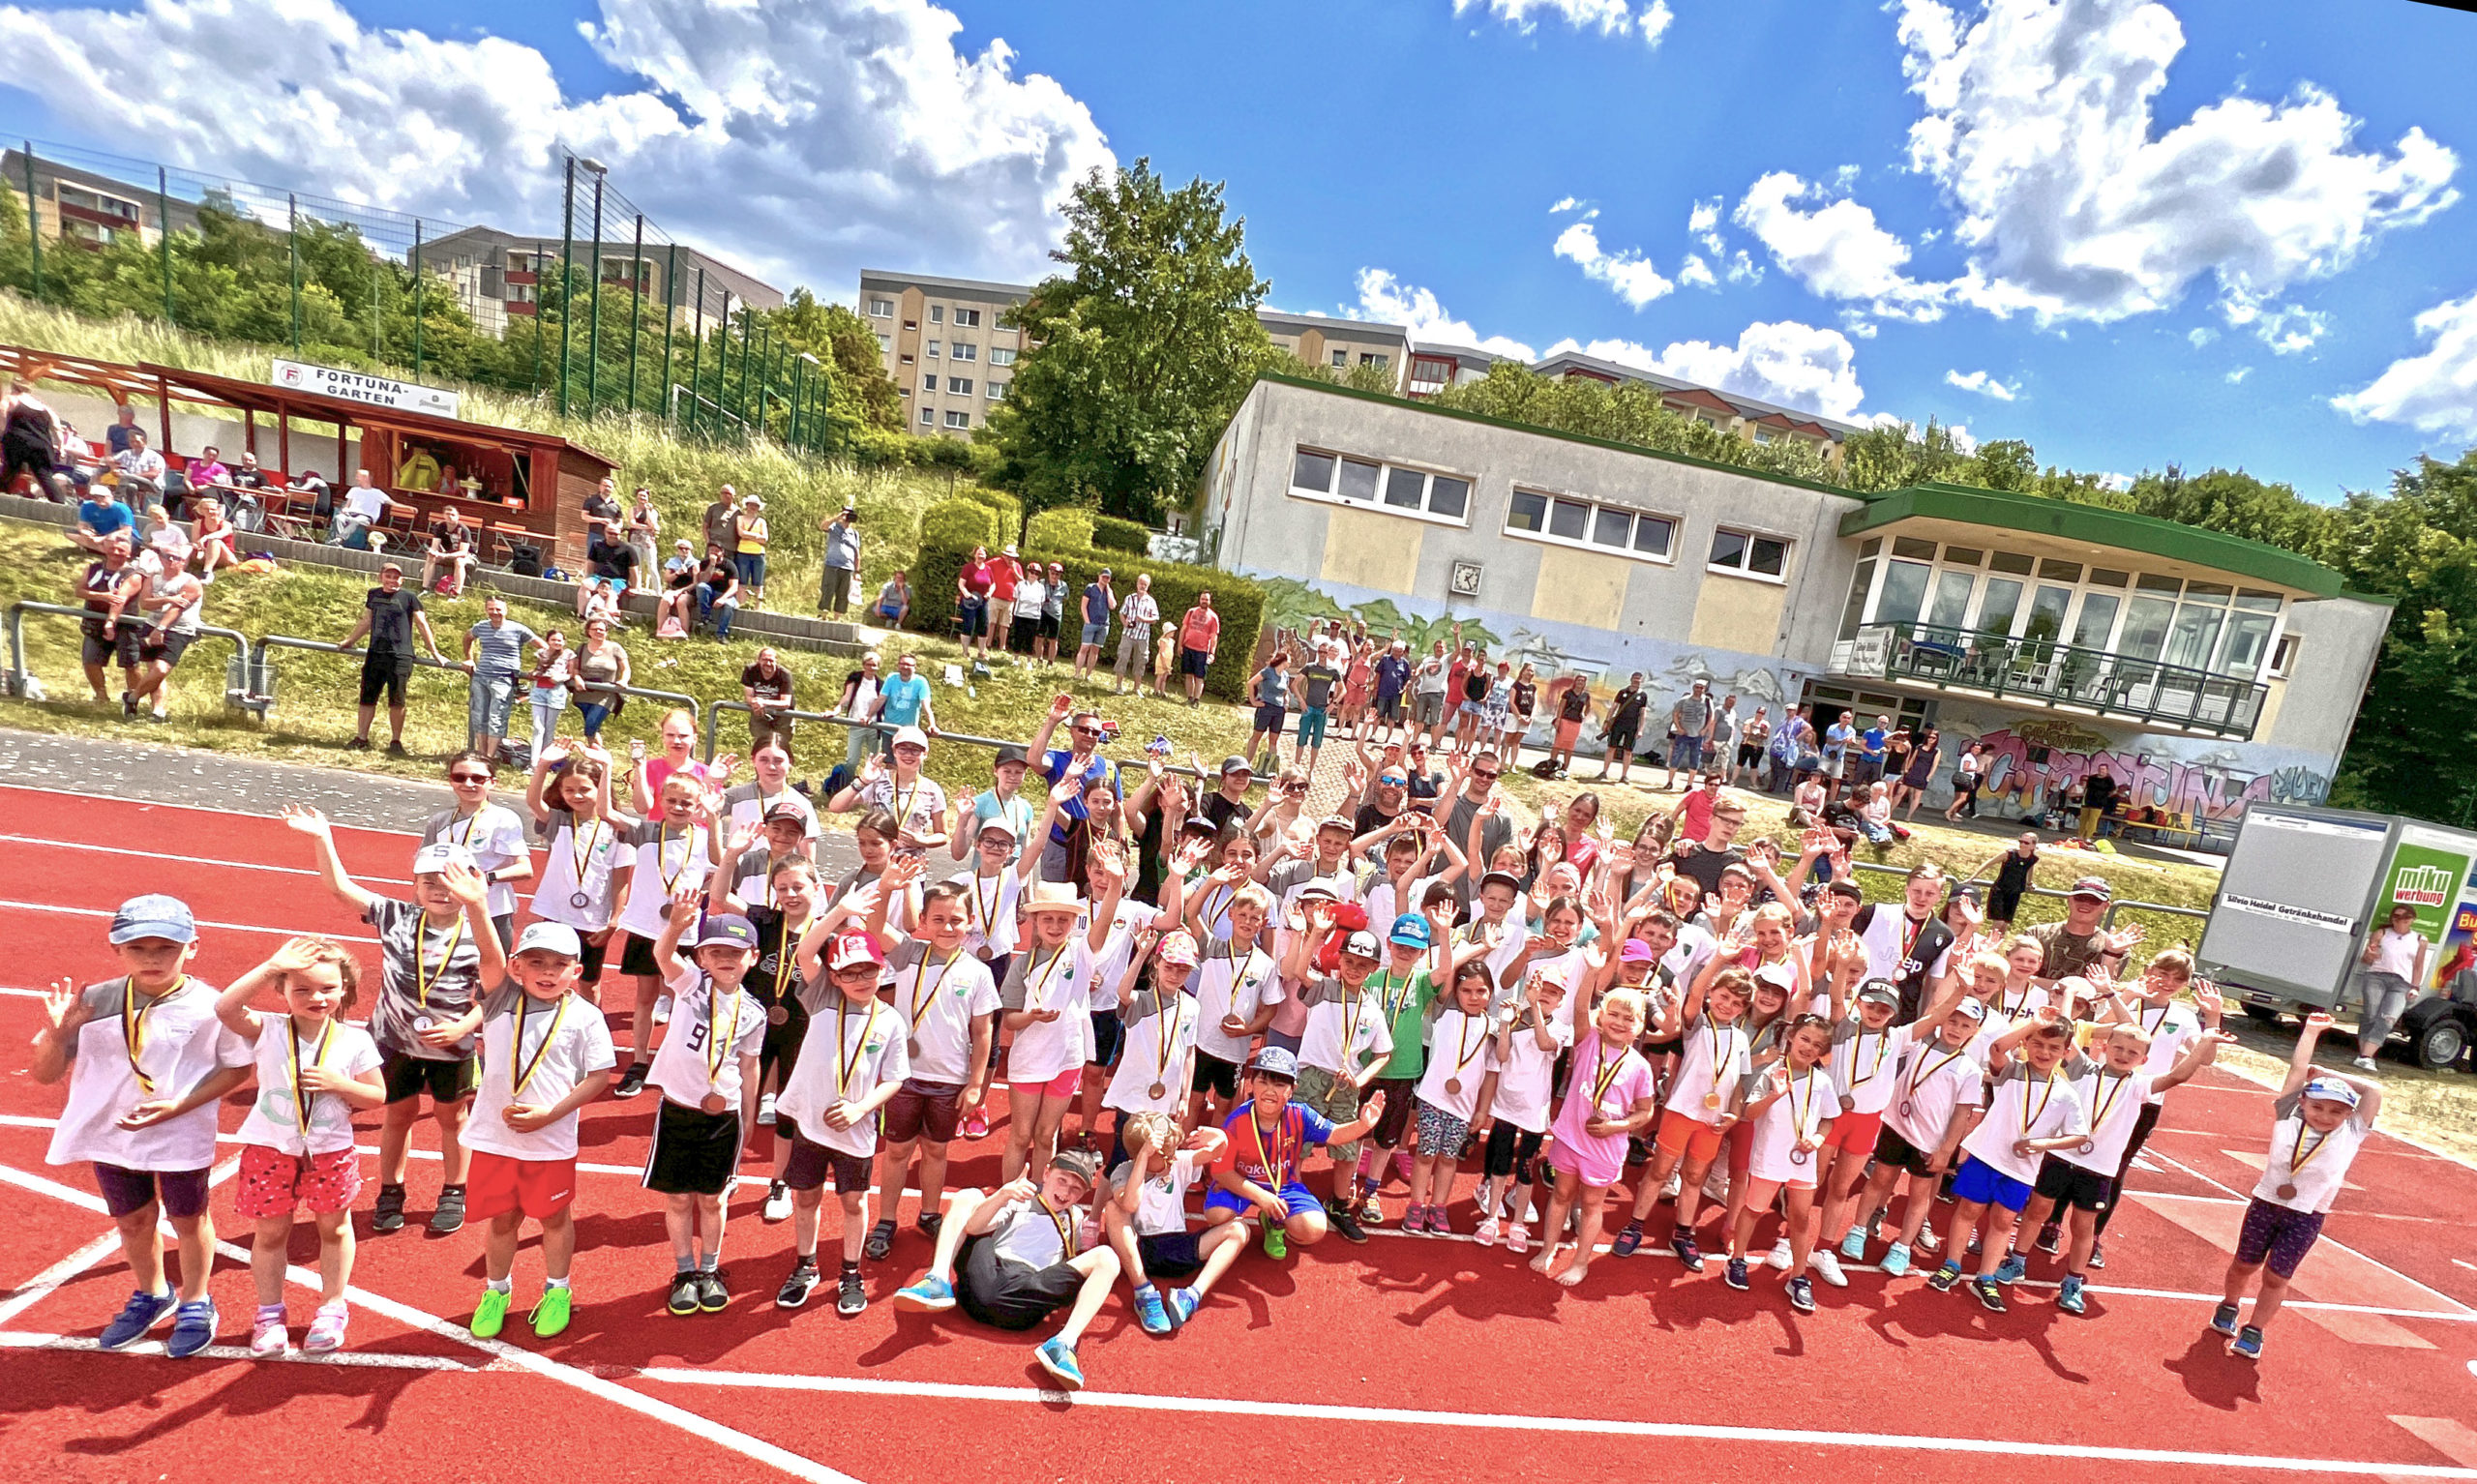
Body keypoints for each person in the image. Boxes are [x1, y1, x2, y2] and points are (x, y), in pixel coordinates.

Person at [32, 894, 253, 1359]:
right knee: (133, 1222)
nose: (152, 959)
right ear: (117, 950)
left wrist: (179, 1106)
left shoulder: (212, 1007)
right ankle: (153, 1293)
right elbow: (46, 1073)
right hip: (112, 1137)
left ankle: (196, 1300)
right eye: (138, 949)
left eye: (165, 948)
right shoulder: (92, 1002)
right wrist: (56, 1035)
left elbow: (237, 1069)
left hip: (179, 1136)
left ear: (192, 947)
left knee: (188, 1220)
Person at [284, 808, 507, 1236]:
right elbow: (340, 888)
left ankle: (454, 1190)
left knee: (452, 1118)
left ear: (471, 884)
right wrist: (323, 836)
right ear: (415, 887)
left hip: (452, 1046)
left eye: (451, 882)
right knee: (397, 1115)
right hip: (392, 1041)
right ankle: (391, 1190)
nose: (441, 891)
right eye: (430, 883)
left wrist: (464, 1028)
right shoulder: (396, 917)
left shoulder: (481, 928)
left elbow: (495, 991)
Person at [2001, 990, 2229, 1316]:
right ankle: (2017, 1261)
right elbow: (2067, 1034)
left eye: (2132, 1052)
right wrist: (2064, 1002)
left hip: (2100, 1167)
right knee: (2038, 1210)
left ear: (2143, 1060)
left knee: (2084, 1227)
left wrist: (2207, 1040)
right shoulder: (2083, 1068)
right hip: (2060, 1156)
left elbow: (2179, 1075)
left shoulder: (2139, 1085)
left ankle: (2073, 1281)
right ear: (2104, 1047)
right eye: (2118, 1047)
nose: (2123, 1054)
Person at [212, 937, 384, 1357]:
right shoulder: (269, 1029)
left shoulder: (355, 1040)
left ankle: (331, 1307)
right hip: (271, 1150)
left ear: (345, 989)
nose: (316, 997)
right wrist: (271, 965)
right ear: (282, 990)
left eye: (327, 988)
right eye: (301, 989)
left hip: (330, 1151)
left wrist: (341, 1085)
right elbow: (225, 1008)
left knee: (334, 1228)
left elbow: (377, 1097)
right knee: (270, 1233)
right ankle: (269, 1314)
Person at [461, 922, 615, 1341]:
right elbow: (487, 953)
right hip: (497, 1137)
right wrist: (477, 903)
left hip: (550, 1140)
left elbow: (599, 1076)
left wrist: (550, 1114)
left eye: (559, 964)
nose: (547, 972)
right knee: (502, 1219)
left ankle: (557, 1289)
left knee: (554, 1217)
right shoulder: (499, 1001)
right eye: (536, 962)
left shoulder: (585, 1016)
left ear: (576, 972)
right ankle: (496, 1292)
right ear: (516, 967)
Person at [2213, 1012, 2380, 1359]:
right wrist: (2312, 1032)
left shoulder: (2351, 1133)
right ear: (2302, 1102)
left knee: (2277, 1276)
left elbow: (2374, 1090)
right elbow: (2297, 1069)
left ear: (2348, 1115)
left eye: (2336, 1111)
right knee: (2245, 1264)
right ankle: (2229, 1305)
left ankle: (2255, 1330)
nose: (2325, 1116)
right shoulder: (2288, 1116)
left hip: (2306, 1216)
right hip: (2266, 1204)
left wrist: (2328, 1075)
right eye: (2317, 1107)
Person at [891, 1150, 1120, 1390]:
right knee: (969, 1196)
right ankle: (938, 1279)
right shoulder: (1019, 1197)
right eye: (1062, 1180)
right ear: (1046, 1173)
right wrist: (1002, 1195)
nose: (1065, 1192)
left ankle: (1063, 1344)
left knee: (1108, 1257)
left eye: (1076, 1188)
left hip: (1026, 1299)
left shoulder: (1075, 1218)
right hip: (987, 1276)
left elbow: (1068, 1267)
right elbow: (975, 1226)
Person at [770, 929, 911, 1317]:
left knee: (853, 1201)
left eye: (868, 971)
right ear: (833, 977)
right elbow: (804, 951)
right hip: (812, 1124)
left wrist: (861, 1108)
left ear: (883, 970)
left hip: (857, 1129)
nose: (860, 980)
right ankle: (806, 1265)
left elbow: (895, 1078)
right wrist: (838, 909)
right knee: (807, 1197)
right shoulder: (822, 1003)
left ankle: (851, 1272)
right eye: (849, 973)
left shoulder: (891, 1021)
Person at [644, 907, 769, 1314]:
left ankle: (710, 1270)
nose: (726, 959)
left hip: (724, 1117)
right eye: (715, 951)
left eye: (736, 951)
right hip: (678, 1111)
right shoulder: (691, 986)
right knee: (679, 1200)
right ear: (701, 958)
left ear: (753, 956)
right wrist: (677, 926)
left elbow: (750, 1066)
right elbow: (663, 956)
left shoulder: (754, 1013)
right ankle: (684, 1271)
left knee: (713, 1200)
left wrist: (748, 1118)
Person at [1924, 1013, 2088, 1312]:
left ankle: (1985, 1277)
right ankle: (1952, 1264)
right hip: (1987, 1155)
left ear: (2066, 1053)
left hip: (2022, 1169)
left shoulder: (2066, 1093)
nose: (2044, 1052)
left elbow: (2079, 1135)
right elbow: (1997, 1048)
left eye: (2054, 1048)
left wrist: (2043, 1144)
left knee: (2003, 1221)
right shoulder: (2012, 1072)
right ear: (2026, 1044)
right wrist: (2033, 1024)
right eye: (2037, 1044)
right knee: (1969, 1210)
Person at [1206, 1046, 1386, 1261]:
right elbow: (1221, 1172)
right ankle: (1241, 1228)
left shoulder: (1300, 1114)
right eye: (1263, 1081)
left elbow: (1336, 1135)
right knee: (1217, 1216)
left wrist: (1363, 1125)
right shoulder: (1236, 1121)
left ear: (1292, 1090)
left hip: (1283, 1185)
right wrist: (1261, 1196)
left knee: (1313, 1229)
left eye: (1280, 1084)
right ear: (1251, 1084)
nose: (1270, 1090)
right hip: (1243, 1182)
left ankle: (1273, 1223)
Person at [1103, 1110, 1244, 1335]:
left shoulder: (1178, 1161)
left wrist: (1220, 1137)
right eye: (1165, 1155)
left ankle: (1191, 1295)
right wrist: (1142, 1160)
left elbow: (1216, 1151)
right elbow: (1129, 1204)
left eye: (1173, 1153)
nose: (1172, 1158)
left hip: (1178, 1247)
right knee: (1112, 1208)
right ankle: (1144, 1292)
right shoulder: (1124, 1171)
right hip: (1141, 1251)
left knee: (1239, 1230)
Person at [422, 751, 537, 949]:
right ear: (451, 781)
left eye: (477, 778)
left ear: (493, 782)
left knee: (491, 976)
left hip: (491, 911)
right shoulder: (439, 821)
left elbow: (525, 869)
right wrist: (417, 906)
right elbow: (422, 869)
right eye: (460, 777)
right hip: (445, 910)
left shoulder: (504, 818)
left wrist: (486, 878)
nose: (468, 784)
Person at [343, 562, 446, 757]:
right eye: (388, 576)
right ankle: (361, 738)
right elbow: (366, 620)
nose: (392, 580)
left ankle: (396, 741)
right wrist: (350, 640)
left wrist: (435, 652)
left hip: (400, 654)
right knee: (367, 698)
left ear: (402, 580)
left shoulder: (409, 598)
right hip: (375, 653)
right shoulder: (373, 594)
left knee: (397, 700)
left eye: (396, 577)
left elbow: (422, 624)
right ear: (381, 576)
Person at [128, 540, 205, 724]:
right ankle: (158, 712)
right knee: (154, 672)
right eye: (168, 557)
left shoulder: (191, 582)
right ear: (160, 559)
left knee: (161, 670)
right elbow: (144, 603)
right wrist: (169, 598)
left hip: (178, 629)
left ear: (184, 561)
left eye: (177, 558)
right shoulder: (153, 579)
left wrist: (161, 628)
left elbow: (177, 609)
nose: (172, 561)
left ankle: (132, 697)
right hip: (150, 624)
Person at [75, 531, 147, 713]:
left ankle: (133, 700)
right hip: (94, 620)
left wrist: (110, 622)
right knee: (90, 661)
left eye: (121, 550)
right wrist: (101, 596)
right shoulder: (92, 569)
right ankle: (101, 696)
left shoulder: (135, 574)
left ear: (129, 553)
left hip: (125, 624)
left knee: (130, 664)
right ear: (105, 550)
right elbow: (79, 591)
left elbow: (120, 599)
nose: (116, 552)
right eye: (112, 549)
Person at [460, 597, 539, 763]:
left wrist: (539, 668)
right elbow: (467, 638)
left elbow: (544, 647)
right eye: (491, 609)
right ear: (486, 610)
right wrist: (468, 658)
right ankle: (482, 755)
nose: (495, 612)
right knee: (479, 716)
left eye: (498, 609)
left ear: (506, 610)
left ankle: (490, 757)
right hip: (481, 677)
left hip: (504, 679)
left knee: (497, 718)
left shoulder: (518, 629)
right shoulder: (481, 627)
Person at [2352, 903, 2429, 1071]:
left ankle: (2365, 1057)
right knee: (2370, 1015)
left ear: (2412, 920)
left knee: (2388, 1019)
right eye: (2396, 917)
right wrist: (2369, 955)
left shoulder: (2420, 940)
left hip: (2402, 983)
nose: (2400, 921)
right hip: (2376, 977)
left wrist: (2415, 986)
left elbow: (2418, 965)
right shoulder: (2381, 933)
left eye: (2405, 917)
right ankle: (2364, 1056)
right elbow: (2366, 960)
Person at [2027, 876, 2142, 984]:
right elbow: (2018, 978)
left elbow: (2104, 993)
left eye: (2094, 901)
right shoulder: (2036, 934)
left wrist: (2111, 953)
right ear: (2070, 900)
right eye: (2080, 898)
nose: (2086, 904)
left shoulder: (2118, 949)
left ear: (2105, 907)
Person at [568, 617, 631, 743]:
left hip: (605, 695)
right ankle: (596, 758)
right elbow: (574, 668)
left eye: (602, 629)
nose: (599, 632)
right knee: (593, 729)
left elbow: (626, 669)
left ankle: (598, 756)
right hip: (583, 695)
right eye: (595, 629)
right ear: (588, 631)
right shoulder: (581, 648)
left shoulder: (615, 648)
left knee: (590, 725)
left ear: (606, 632)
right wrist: (577, 677)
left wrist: (623, 680)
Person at [1974, 832, 2042, 932]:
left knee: (2004, 925)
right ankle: (1987, 944)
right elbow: (1988, 863)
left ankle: (1997, 945)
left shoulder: (2033, 859)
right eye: (2020, 841)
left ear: (2033, 845)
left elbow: (2029, 870)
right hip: (1999, 891)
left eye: (2026, 843)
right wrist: (1973, 877)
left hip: (2014, 893)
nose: (2022, 844)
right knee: (1998, 923)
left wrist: (2029, 883)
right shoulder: (2009, 854)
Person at [524, 630, 574, 763]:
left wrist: (560, 677)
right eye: (553, 640)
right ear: (548, 641)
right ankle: (534, 762)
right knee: (538, 727)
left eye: (559, 640)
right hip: (539, 691)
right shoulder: (542, 653)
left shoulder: (568, 654)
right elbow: (538, 668)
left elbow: (572, 673)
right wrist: (534, 673)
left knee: (549, 728)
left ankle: (545, 761)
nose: (556, 642)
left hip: (556, 692)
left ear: (564, 642)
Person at [873, 651, 938, 753]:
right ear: (898, 665)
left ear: (915, 667)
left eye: (909, 664)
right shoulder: (891, 678)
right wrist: (868, 716)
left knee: (901, 762)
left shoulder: (920, 682)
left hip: (907, 732)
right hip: (888, 729)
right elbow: (881, 699)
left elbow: (926, 706)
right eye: (902, 664)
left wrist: (932, 724)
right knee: (889, 763)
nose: (905, 667)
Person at [741, 647, 798, 754]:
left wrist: (763, 702)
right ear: (758, 660)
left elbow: (785, 703)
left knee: (782, 744)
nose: (768, 663)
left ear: (776, 661)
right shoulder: (750, 670)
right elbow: (748, 697)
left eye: (771, 660)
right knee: (761, 743)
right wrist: (755, 703)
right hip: (759, 711)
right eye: (765, 659)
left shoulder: (784, 674)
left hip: (783, 714)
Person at [324, 467, 393, 549]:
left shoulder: (377, 493)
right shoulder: (354, 490)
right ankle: (337, 542)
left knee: (356, 521)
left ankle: (339, 539)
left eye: (358, 476)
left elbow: (392, 503)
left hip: (366, 517)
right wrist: (345, 508)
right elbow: (348, 504)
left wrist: (408, 508)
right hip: (350, 514)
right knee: (339, 518)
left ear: (366, 478)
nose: (356, 478)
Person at [1114, 573, 1159, 694]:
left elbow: (1155, 619)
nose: (1142, 586)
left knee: (1140, 661)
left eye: (1145, 584)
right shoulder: (1129, 598)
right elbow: (1121, 612)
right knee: (1122, 658)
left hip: (1143, 637)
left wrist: (1143, 619)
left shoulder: (1151, 601)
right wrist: (1125, 623)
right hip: (1128, 635)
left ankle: (1137, 688)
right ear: (1137, 584)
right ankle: (1118, 686)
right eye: (1141, 583)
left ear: (1148, 586)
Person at [424, 505, 479, 597]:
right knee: (431, 557)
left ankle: (457, 593)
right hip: (448, 554)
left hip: (469, 556)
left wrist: (445, 556)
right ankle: (425, 588)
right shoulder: (440, 527)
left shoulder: (464, 530)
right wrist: (433, 552)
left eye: (453, 514)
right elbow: (434, 546)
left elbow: (463, 552)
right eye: (447, 514)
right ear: (443, 516)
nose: (450, 517)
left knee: (459, 561)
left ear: (458, 516)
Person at [1178, 591, 1220, 706]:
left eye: (1206, 599)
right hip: (1188, 647)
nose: (1204, 601)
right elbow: (1183, 629)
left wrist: (1212, 653)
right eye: (1202, 599)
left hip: (1202, 651)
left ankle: (1196, 700)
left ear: (1210, 601)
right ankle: (1190, 698)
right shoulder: (1191, 612)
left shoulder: (1213, 617)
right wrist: (1180, 645)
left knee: (1199, 677)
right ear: (1199, 600)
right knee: (1188, 674)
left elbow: (1214, 637)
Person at [819, 506, 862, 615]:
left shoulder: (854, 533)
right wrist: (837, 517)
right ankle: (823, 613)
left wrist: (857, 571)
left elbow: (857, 553)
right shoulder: (834, 527)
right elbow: (823, 526)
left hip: (847, 567)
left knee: (843, 593)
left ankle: (837, 617)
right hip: (832, 564)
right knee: (828, 589)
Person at [1073, 566, 1114, 683]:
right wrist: (1087, 620)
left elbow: (1112, 606)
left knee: (1095, 650)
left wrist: (1109, 591)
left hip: (1103, 625)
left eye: (1107, 577)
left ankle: (1088, 675)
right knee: (1084, 647)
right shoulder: (1090, 588)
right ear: (1099, 576)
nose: (1105, 579)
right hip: (1091, 623)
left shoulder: (1108, 591)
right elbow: (1083, 606)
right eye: (1103, 576)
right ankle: (1077, 673)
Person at [731, 493, 770, 608]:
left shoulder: (761, 521)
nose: (753, 507)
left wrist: (748, 535)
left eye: (756, 505)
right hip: (743, 552)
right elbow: (741, 533)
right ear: (747, 505)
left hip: (758, 553)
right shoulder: (740, 518)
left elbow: (765, 538)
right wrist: (756, 536)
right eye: (751, 505)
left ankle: (757, 607)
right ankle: (741, 604)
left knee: (758, 583)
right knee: (742, 582)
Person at [695, 542, 742, 638]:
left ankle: (721, 634)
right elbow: (703, 581)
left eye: (716, 551)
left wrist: (723, 598)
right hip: (711, 593)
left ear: (722, 552)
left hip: (726, 594)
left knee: (729, 605)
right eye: (711, 550)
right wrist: (712, 565)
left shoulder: (729, 565)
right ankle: (706, 617)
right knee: (701, 587)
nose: (714, 552)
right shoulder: (704, 564)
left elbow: (734, 587)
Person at [988, 545, 1024, 658]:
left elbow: (1022, 582)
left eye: (1012, 557)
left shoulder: (1017, 566)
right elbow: (983, 568)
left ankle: (1002, 647)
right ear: (1004, 555)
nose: (1010, 559)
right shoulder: (995, 562)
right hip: (995, 596)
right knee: (991, 622)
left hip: (1009, 599)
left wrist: (1014, 571)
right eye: (1008, 556)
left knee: (1005, 624)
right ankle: (987, 644)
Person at [1946, 742, 1985, 820]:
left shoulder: (1972, 757)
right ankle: (1949, 811)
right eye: (1976, 748)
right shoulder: (1969, 756)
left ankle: (1953, 815)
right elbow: (1965, 768)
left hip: (1961, 778)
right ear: (1971, 748)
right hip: (1964, 778)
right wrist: (1975, 769)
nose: (1977, 750)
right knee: (1963, 798)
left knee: (1957, 798)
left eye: (1979, 749)